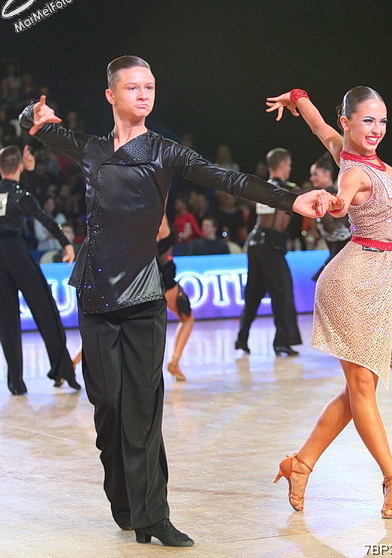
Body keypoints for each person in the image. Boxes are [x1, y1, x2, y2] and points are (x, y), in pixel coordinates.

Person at [19, 56, 331, 547]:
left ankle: (153, 515)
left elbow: (227, 179)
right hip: (96, 292)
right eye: (133, 87)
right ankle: (125, 504)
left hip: (145, 293)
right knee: (108, 408)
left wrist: (291, 200)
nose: (144, 94)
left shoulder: (165, 151)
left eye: (149, 86)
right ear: (111, 95)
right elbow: (35, 127)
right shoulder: (91, 148)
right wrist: (32, 117)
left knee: (143, 408)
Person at [265, 86, 392, 520]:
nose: (376, 129)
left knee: (359, 390)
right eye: (367, 120)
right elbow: (340, 202)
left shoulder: (344, 149)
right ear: (348, 123)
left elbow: (318, 126)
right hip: (352, 283)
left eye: (382, 120)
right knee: (362, 389)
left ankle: (300, 463)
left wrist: (297, 98)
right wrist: (331, 203)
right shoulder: (352, 172)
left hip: (380, 281)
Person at [0, 145, 80, 395]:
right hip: (16, 252)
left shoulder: (13, 190)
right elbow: (43, 216)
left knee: (6, 320)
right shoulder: (20, 193)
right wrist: (66, 243)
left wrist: (27, 173)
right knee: (45, 309)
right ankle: (62, 369)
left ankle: (15, 381)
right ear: (20, 166)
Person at [235, 148, 302, 356]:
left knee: (254, 293)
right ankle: (282, 342)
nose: (290, 168)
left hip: (256, 243)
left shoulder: (263, 188)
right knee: (282, 292)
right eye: (289, 164)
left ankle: (242, 338)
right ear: (282, 165)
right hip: (270, 245)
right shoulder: (285, 190)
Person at [157, 213, 194, 381]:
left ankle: (76, 362)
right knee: (187, 319)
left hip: (141, 281)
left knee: (110, 327)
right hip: (165, 282)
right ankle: (174, 361)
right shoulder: (159, 220)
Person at [309, 154, 351, 280]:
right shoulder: (319, 196)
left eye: (315, 174)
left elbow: (339, 229)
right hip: (336, 253)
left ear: (327, 174)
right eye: (311, 175)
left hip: (344, 252)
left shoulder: (337, 196)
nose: (311, 178)